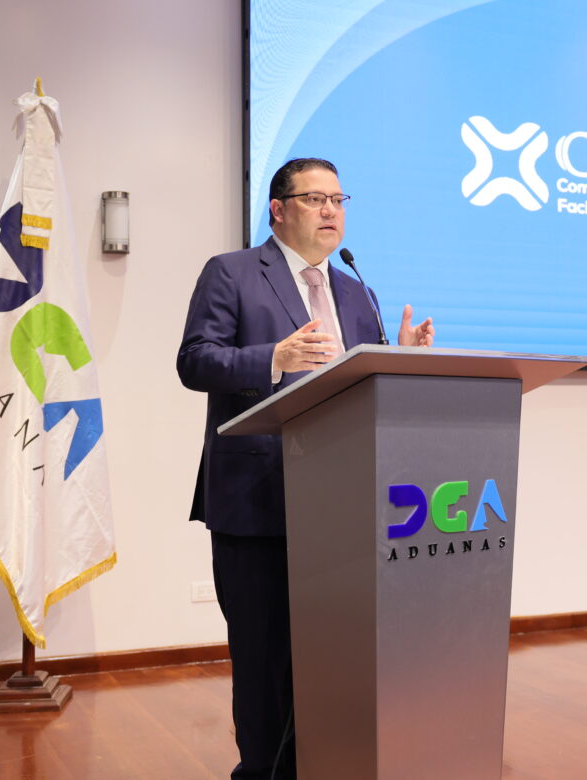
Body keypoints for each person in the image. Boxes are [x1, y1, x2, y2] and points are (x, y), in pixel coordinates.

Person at [177, 158, 434, 778]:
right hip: (257, 498)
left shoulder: (355, 291)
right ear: (278, 209)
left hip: (342, 504)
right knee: (265, 660)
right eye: (316, 199)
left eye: (338, 200)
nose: (330, 212)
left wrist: (398, 360)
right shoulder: (233, 272)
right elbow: (195, 361)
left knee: (332, 654)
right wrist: (274, 357)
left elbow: (358, 384)